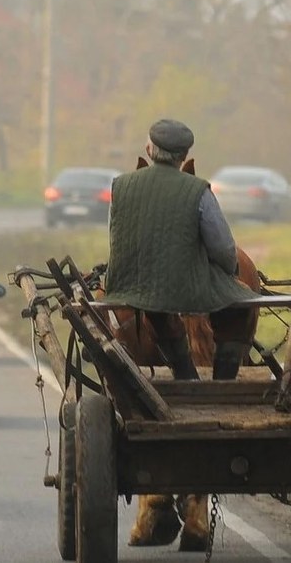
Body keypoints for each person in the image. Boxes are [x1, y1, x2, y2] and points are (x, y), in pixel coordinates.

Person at [101, 119, 259, 380]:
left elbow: (116, 237)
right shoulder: (198, 191)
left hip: (129, 286)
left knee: (158, 309)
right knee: (240, 305)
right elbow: (222, 248)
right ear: (184, 156)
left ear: (149, 151)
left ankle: (184, 370)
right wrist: (229, 271)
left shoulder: (120, 187)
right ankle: (223, 379)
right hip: (186, 288)